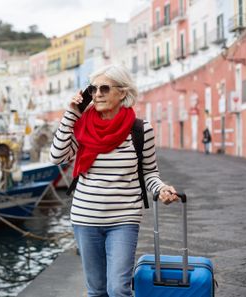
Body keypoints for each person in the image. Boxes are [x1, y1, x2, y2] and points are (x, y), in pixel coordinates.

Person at [49, 64, 178, 297]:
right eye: (93, 89)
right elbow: (57, 157)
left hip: (123, 219)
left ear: (123, 92)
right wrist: (71, 114)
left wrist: (161, 189)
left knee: (118, 289)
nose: (97, 94)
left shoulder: (140, 130)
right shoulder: (82, 126)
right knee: (97, 291)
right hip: (85, 218)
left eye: (105, 88)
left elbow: (149, 172)